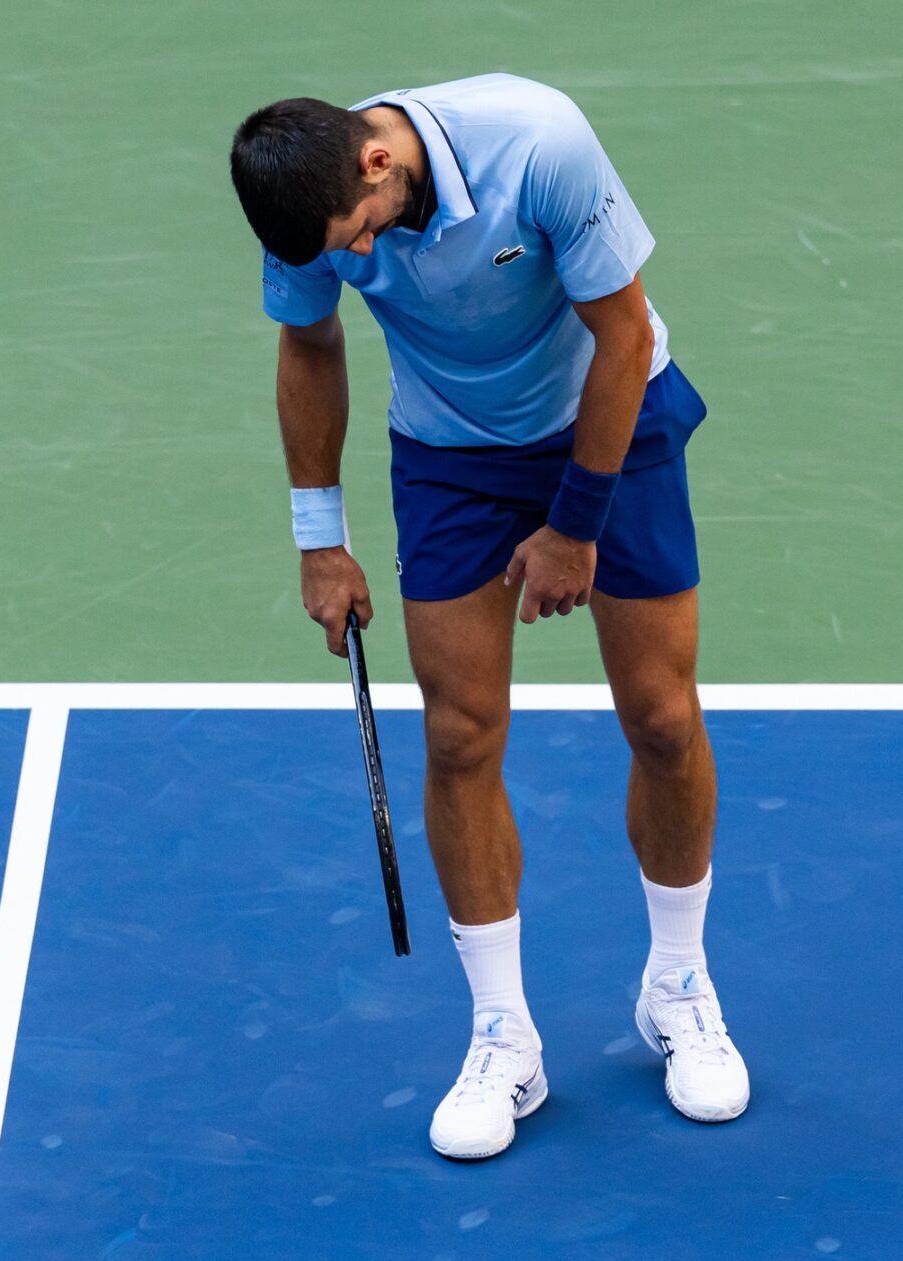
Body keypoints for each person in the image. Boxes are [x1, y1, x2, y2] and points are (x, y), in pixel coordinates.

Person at [229, 73, 747, 1160]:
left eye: (359, 237)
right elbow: (311, 344)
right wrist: (320, 538)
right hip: (451, 452)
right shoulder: (305, 211)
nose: (358, 264)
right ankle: (504, 1034)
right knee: (459, 732)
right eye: (339, 253)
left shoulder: (538, 142)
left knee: (660, 714)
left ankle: (679, 984)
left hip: (609, 416)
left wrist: (575, 524)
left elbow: (623, 331)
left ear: (377, 161)